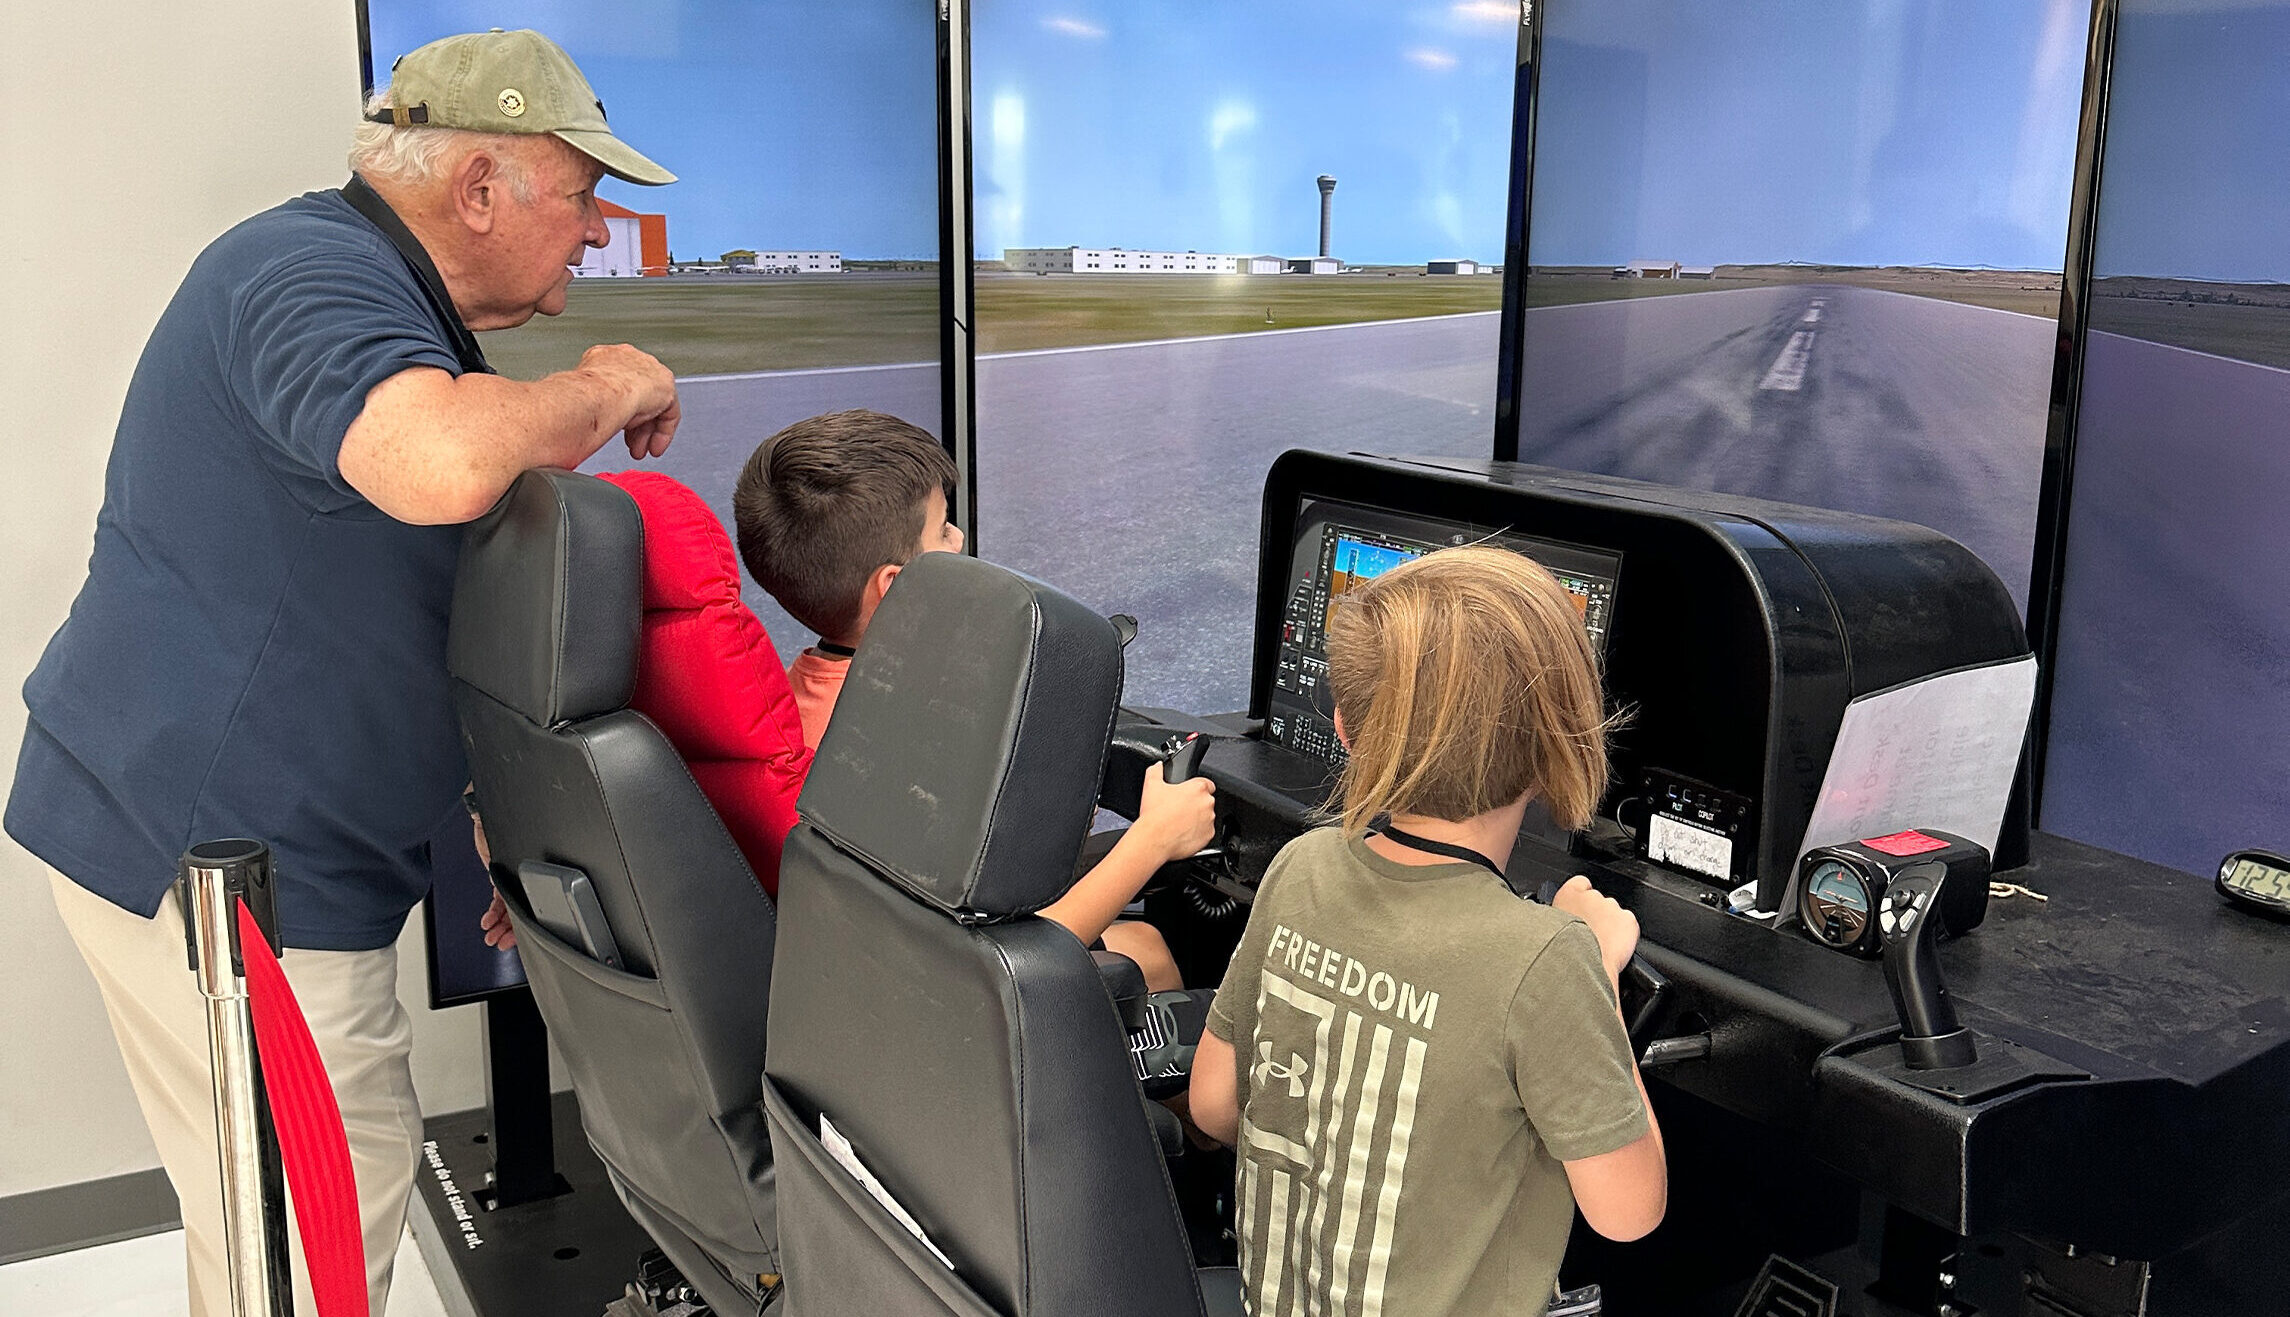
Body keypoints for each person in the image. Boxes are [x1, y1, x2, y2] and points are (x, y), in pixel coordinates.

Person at [9, 29, 681, 1317]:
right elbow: (433, 463)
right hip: (213, 862)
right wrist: (605, 385)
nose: (598, 234)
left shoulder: (396, 309)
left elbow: (381, 594)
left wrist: (483, 812)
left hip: (245, 848)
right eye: (584, 196)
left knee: (285, 1200)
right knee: (309, 1229)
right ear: (479, 188)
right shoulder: (308, 268)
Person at [1187, 545, 1668, 1316]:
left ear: (1345, 727)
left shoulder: (1301, 867)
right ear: (1555, 745)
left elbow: (1213, 1104)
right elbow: (1630, 1210)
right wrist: (1601, 974)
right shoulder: (1546, 957)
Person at [731, 409, 1212, 990]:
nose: (959, 539)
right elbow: (996, 967)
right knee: (1151, 955)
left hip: (847, 981)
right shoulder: (916, 758)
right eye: (942, 530)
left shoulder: (794, 701)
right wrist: (1156, 838)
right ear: (897, 586)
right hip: (952, 1005)